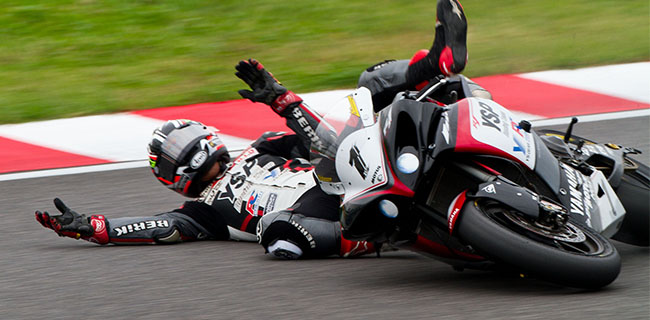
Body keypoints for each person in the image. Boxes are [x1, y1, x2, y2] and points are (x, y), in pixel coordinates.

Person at [35, 0, 485, 259]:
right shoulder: (201, 213)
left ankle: (437, 66)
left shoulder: (262, 146)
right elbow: (151, 227)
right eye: (173, 150)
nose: (186, 149)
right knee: (277, 233)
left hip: (348, 175)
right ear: (172, 175)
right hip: (326, 219)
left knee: (369, 86)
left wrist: (280, 99)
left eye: (182, 139)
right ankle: (366, 239)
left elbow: (326, 138)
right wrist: (94, 227)